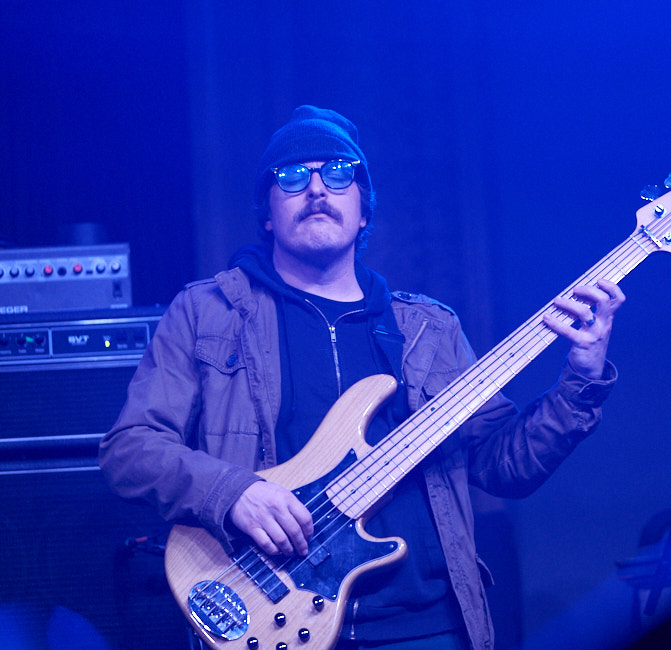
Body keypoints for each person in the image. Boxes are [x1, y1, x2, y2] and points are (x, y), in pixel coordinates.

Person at [99, 105, 625, 650]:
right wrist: (234, 492)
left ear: (364, 209)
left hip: (426, 626)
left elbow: (503, 466)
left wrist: (580, 379)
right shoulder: (208, 312)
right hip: (275, 612)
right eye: (293, 176)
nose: (317, 189)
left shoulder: (429, 329)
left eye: (339, 173)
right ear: (267, 212)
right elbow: (130, 450)